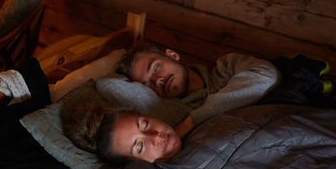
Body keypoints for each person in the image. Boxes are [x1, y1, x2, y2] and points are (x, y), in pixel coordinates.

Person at [116, 46, 281, 138]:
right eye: (149, 85)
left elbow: (267, 76)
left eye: (156, 68)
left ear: (173, 55)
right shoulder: (175, 115)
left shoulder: (226, 67)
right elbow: (106, 84)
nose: (158, 80)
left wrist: (193, 121)